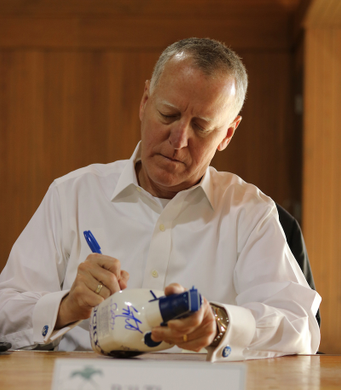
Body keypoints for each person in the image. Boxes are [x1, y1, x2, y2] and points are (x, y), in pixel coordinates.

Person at [0, 38, 321, 361]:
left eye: (201, 126)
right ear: (144, 101)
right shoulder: (72, 196)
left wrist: (222, 324)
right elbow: (4, 310)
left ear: (227, 135)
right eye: (168, 114)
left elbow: (301, 325)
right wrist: (65, 307)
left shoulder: (250, 213)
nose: (179, 140)